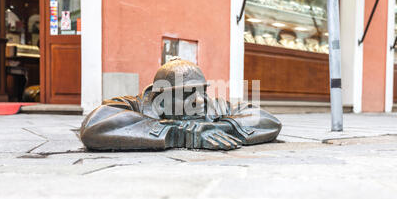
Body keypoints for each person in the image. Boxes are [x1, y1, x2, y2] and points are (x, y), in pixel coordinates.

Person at [80, 58, 281, 151]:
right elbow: (93, 127)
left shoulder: (212, 106)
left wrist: (222, 127)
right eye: (187, 94)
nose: (200, 100)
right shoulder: (136, 105)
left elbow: (269, 120)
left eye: (202, 92)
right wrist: (180, 133)